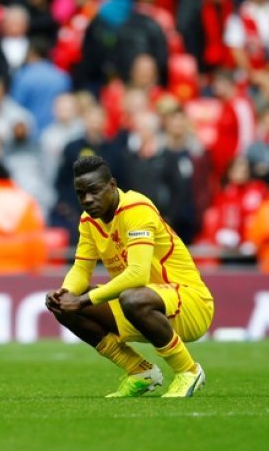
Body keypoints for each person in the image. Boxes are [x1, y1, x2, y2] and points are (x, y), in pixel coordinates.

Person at [46, 155, 214, 398]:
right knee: (65, 307)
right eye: (81, 194)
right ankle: (139, 372)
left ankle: (188, 371)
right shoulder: (88, 221)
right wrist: (66, 293)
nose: (87, 200)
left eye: (93, 191)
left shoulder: (136, 208)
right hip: (142, 304)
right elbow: (82, 270)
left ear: (112, 186)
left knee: (131, 297)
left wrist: (83, 300)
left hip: (190, 303)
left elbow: (137, 274)